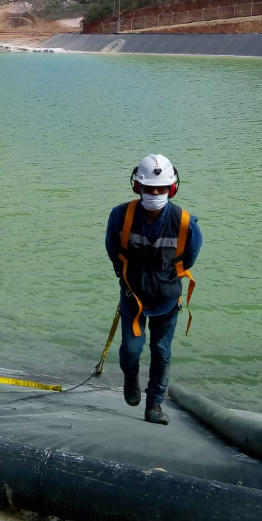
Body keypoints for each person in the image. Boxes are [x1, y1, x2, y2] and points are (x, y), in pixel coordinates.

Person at [105, 154, 202, 425]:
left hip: (167, 299)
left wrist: (162, 279)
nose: (155, 193)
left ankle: (155, 405)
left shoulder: (185, 223)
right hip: (132, 297)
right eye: (149, 188)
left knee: (162, 351)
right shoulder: (120, 216)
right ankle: (131, 377)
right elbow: (113, 251)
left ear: (173, 188)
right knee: (131, 350)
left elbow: (188, 258)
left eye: (160, 188)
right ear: (138, 187)